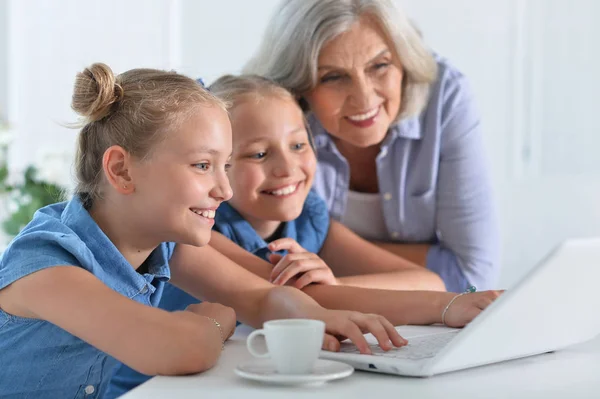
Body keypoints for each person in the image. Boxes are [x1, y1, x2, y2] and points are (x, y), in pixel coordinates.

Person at [0, 63, 405, 398]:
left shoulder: (161, 243)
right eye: (201, 165)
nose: (224, 190)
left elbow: (263, 298)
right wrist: (215, 320)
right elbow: (176, 348)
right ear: (122, 170)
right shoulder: (47, 267)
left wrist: (319, 317)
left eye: (224, 165)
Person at [106, 74, 501, 397]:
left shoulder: (308, 215)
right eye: (258, 154)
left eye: (298, 144)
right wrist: (446, 306)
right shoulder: (196, 226)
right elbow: (287, 299)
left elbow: (425, 279)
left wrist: (328, 283)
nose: (287, 168)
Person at [244, 0, 500, 293]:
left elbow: (471, 279)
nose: (364, 99)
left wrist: (326, 262)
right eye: (333, 77)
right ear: (295, 87)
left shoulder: (445, 96)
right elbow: (263, 265)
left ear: (404, 62)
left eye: (380, 65)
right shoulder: (266, 123)